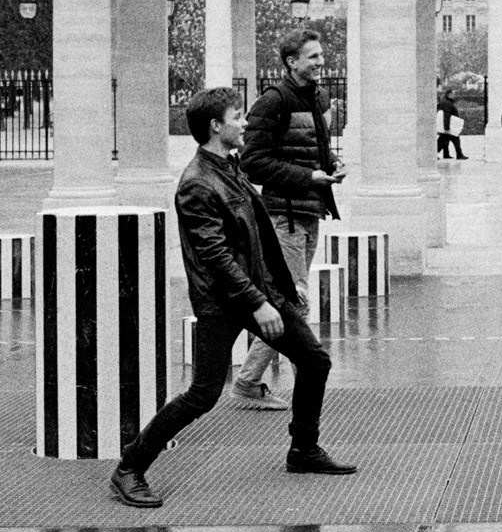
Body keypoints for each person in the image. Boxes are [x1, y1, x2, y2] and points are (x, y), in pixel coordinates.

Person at [109, 88, 352, 508]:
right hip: (224, 301)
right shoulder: (197, 184)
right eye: (236, 117)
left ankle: (303, 449)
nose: (244, 123)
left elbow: (255, 238)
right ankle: (129, 467)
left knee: (314, 360)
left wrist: (278, 290)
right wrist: (258, 303)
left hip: (257, 292)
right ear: (215, 127)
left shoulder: (229, 167)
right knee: (203, 394)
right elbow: (216, 256)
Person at [236, 31, 342, 411]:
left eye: (320, 55)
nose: (319, 62)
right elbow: (252, 162)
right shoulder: (273, 102)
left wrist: (329, 166)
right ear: (291, 62)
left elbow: (311, 151)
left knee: (290, 303)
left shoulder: (313, 97)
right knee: (293, 303)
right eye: (311, 57)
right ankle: (277, 383)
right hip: (285, 217)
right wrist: (309, 177)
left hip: (309, 212)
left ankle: (248, 380)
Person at [436, 88, 467, 160]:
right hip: (450, 126)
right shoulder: (448, 103)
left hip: (449, 126)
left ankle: (447, 154)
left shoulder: (446, 102)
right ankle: (459, 155)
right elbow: (446, 115)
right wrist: (446, 128)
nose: (454, 95)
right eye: (453, 94)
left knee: (444, 140)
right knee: (446, 140)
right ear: (449, 94)